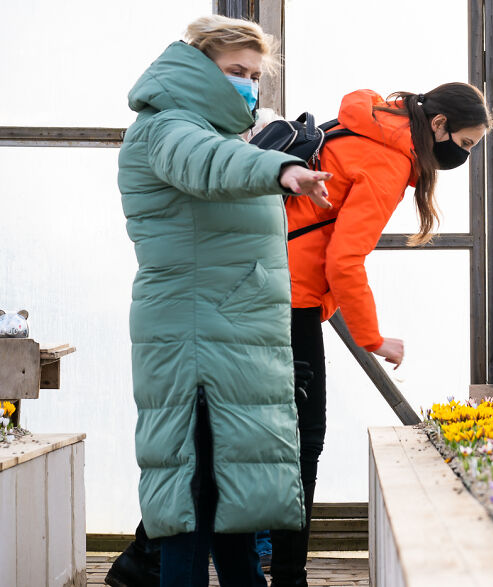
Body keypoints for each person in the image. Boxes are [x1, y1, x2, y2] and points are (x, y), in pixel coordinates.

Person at [114, 15, 332, 587]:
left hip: (226, 334)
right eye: (237, 72)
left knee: (229, 500)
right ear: (199, 66)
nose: (249, 87)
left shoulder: (217, 131)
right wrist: (280, 167)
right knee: (195, 501)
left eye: (256, 77)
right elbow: (208, 165)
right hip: (196, 341)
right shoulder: (168, 127)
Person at [269, 84, 493, 586]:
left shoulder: (368, 122)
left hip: (268, 283)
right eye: (467, 142)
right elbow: (344, 259)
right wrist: (374, 339)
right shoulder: (389, 162)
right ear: (438, 126)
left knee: (265, 436)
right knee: (305, 440)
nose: (465, 154)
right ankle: (286, 575)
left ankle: (150, 558)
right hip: (290, 299)